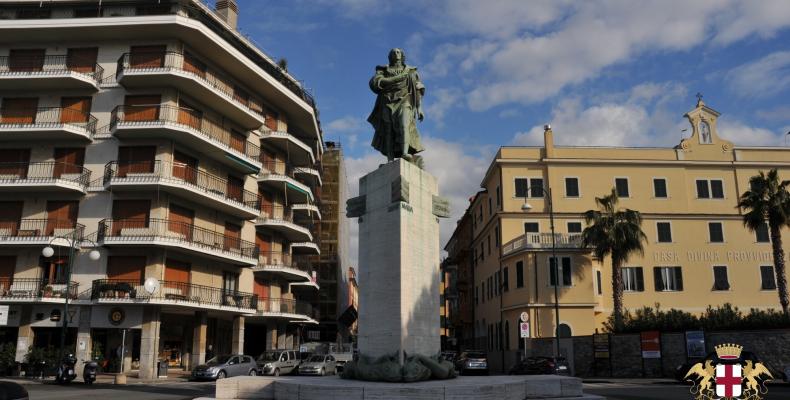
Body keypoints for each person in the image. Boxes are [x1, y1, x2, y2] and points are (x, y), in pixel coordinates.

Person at [368, 48, 425, 161]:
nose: (396, 53)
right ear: (390, 56)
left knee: (404, 125)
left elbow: (418, 88)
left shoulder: (410, 71)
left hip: (405, 100)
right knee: (388, 130)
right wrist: (395, 79)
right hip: (387, 101)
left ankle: (405, 152)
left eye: (398, 52)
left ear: (402, 55)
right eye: (393, 52)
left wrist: (419, 107)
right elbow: (375, 82)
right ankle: (390, 158)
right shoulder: (383, 70)